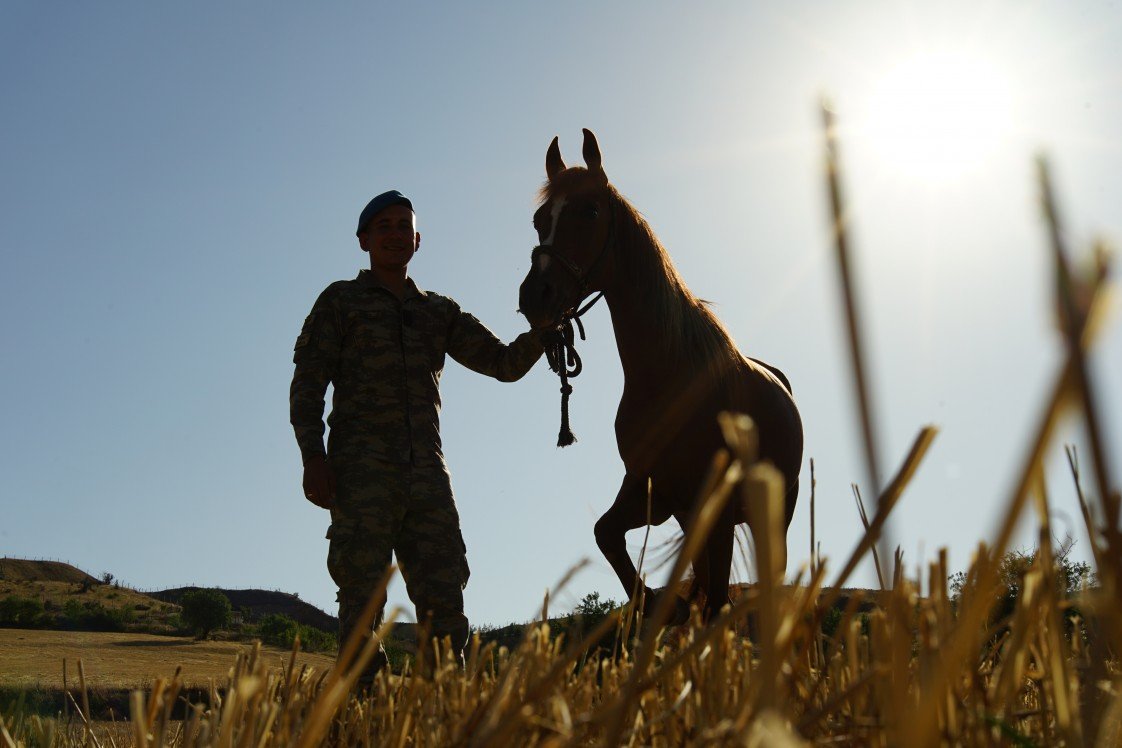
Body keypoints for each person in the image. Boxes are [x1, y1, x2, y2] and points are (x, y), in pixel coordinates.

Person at [290, 190, 544, 679]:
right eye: (382, 225)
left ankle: (444, 716)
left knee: (446, 606)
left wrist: (545, 330)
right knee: (361, 604)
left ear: (418, 240)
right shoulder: (340, 301)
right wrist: (313, 458)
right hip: (361, 475)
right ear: (363, 239)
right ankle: (364, 719)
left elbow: (502, 363)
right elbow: (307, 386)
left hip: (428, 477)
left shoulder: (439, 312)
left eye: (403, 225)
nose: (394, 233)